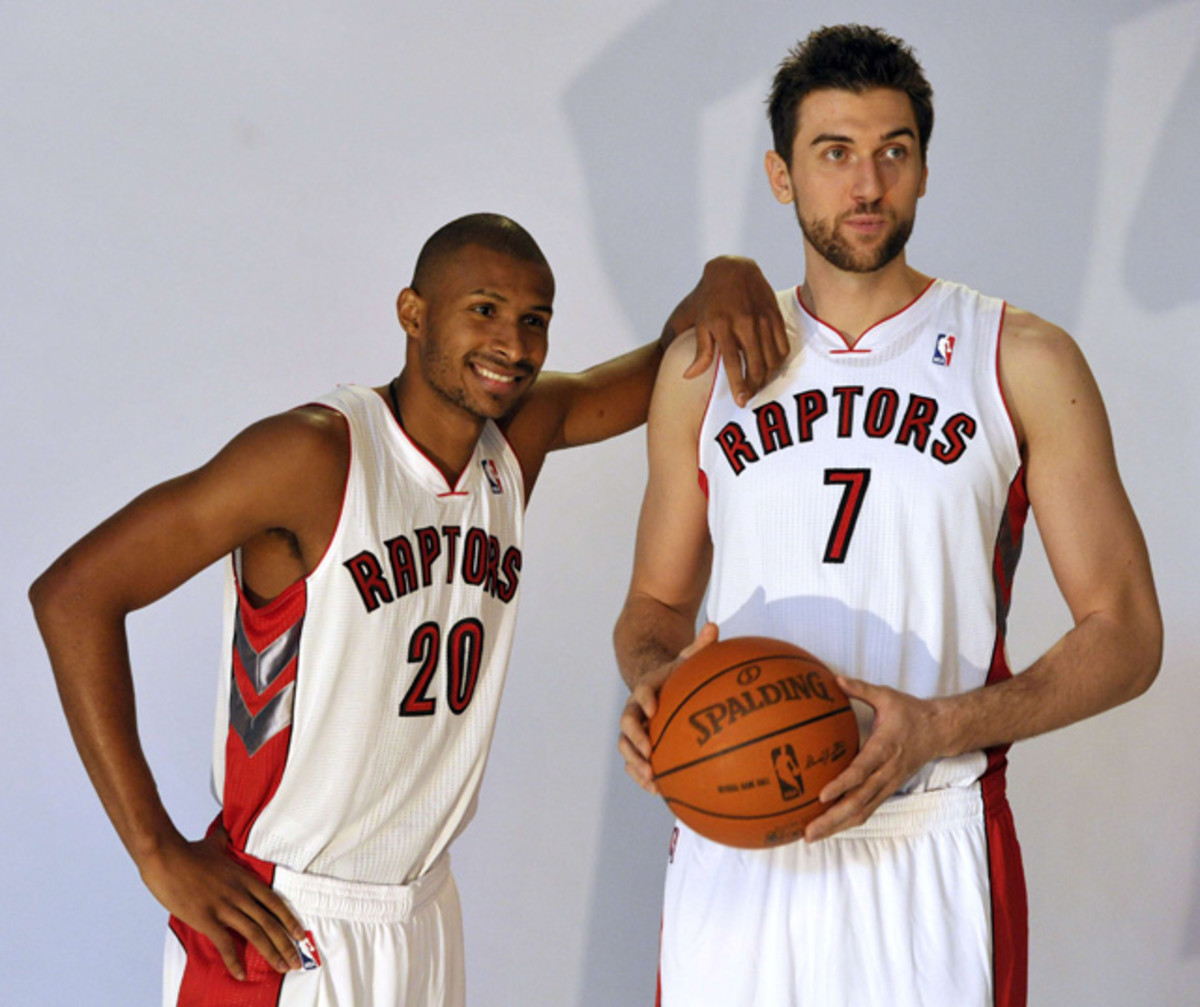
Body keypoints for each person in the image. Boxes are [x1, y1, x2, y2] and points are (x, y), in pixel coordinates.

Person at [29, 212, 787, 1007]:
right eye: (484, 309)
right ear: (413, 312)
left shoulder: (513, 443)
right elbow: (75, 593)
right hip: (284, 918)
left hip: (422, 913)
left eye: (535, 320)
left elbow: (673, 361)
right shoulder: (312, 455)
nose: (513, 344)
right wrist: (154, 849)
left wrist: (723, 273)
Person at [614, 25, 1162, 1007]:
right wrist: (660, 685)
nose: (867, 185)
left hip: (930, 841)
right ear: (781, 175)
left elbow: (1126, 635)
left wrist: (942, 725)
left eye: (892, 152)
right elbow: (654, 606)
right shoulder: (704, 372)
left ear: (923, 168)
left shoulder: (1021, 360)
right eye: (835, 153)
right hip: (736, 848)